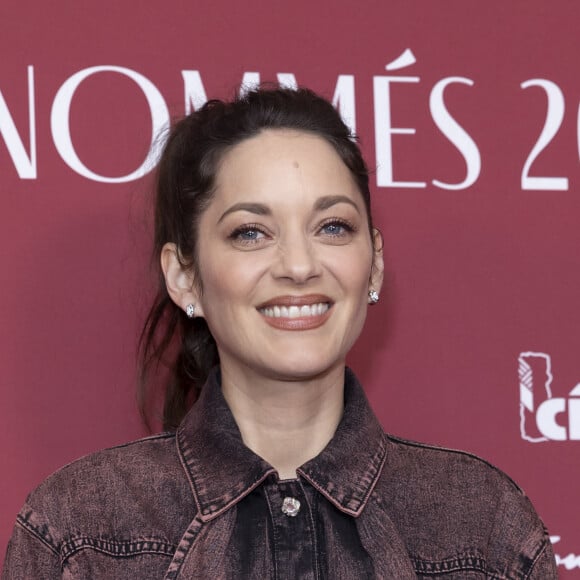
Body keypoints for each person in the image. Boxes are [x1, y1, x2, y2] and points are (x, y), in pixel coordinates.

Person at [3, 87, 557, 579]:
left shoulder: (484, 530)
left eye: (332, 226)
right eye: (251, 233)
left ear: (376, 262)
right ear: (184, 275)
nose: (298, 265)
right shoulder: (78, 534)